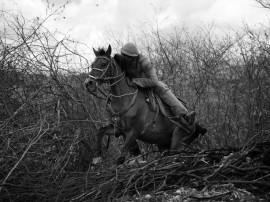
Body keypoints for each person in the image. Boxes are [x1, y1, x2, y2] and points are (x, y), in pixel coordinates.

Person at [120, 43, 195, 133]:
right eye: (124, 55)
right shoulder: (121, 61)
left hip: (148, 84)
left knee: (161, 86)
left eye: (128, 57)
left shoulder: (144, 62)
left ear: (134, 57)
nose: (126, 58)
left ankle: (183, 114)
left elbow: (153, 80)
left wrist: (135, 81)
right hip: (130, 87)